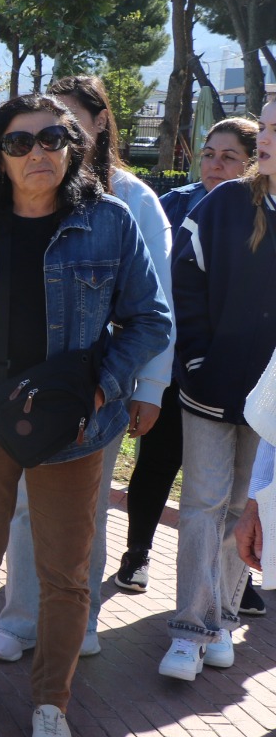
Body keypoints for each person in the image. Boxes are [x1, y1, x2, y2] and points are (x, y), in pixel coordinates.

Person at [0, 94, 170, 737]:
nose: (38, 152)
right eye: (19, 141)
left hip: (73, 428)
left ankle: (50, 703)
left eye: (52, 139)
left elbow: (153, 320)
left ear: (74, 148)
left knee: (64, 574)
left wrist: (100, 386)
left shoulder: (111, 223)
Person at [0, 74, 176, 661]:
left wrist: (142, 386)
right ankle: (21, 618)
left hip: (96, 391)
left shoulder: (130, 201)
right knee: (25, 506)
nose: (46, 144)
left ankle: (82, 615)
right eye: (34, 133)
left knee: (86, 513)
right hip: (28, 388)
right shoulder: (18, 200)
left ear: (96, 125)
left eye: (62, 126)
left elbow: (155, 308)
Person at [158, 98, 276, 681]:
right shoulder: (225, 203)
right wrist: (197, 360)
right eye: (269, 125)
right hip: (210, 390)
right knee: (203, 507)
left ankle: (224, 621)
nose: (269, 138)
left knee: (244, 508)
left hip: (270, 405)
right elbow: (184, 284)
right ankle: (188, 631)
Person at [116, 117, 256, 595]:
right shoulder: (172, 204)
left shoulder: (260, 212)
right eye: (209, 154)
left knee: (239, 485)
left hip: (235, 375)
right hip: (172, 363)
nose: (215, 164)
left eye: (229, 156)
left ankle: (234, 582)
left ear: (253, 161)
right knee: (157, 463)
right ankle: (136, 553)